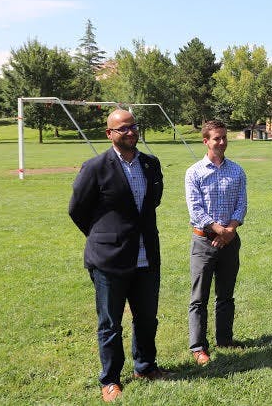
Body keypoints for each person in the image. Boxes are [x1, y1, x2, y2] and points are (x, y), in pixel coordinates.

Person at [68, 109, 171, 403]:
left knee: (147, 318)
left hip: (146, 256)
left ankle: (145, 367)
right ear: (109, 134)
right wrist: (103, 236)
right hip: (109, 259)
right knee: (110, 323)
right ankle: (111, 379)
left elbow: (153, 203)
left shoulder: (151, 165)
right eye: (123, 128)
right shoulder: (95, 167)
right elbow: (77, 210)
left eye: (133, 126)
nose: (131, 132)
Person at [185, 120, 247, 366]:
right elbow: (195, 209)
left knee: (226, 295)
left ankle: (225, 339)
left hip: (230, 241)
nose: (221, 142)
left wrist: (230, 230)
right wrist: (218, 229)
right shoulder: (194, 172)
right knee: (199, 298)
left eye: (224, 137)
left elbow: (242, 204)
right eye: (216, 138)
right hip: (204, 242)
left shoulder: (237, 171)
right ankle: (198, 347)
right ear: (206, 141)